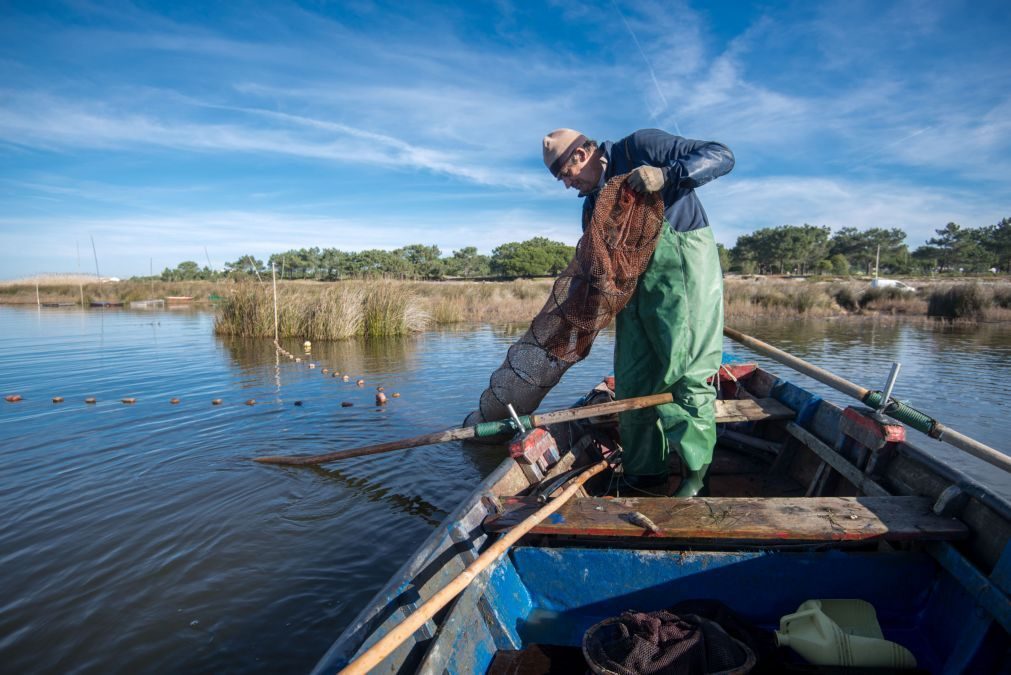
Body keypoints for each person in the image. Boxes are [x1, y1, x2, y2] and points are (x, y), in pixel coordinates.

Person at [542, 128, 734, 496]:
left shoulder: (640, 147)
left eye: (566, 174)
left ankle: (695, 478)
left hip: (680, 273)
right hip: (632, 294)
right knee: (633, 381)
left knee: (685, 374)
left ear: (581, 155)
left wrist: (667, 174)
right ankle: (645, 474)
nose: (567, 185)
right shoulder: (591, 207)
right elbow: (597, 268)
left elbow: (721, 154)